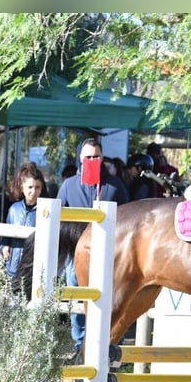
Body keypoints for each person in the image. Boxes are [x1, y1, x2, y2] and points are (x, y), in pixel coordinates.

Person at [57, 137, 130, 354]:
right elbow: (58, 217)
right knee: (78, 304)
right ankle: (80, 347)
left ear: (102, 157)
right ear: (80, 158)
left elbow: (129, 219)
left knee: (111, 301)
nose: (91, 160)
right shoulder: (69, 185)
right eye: (88, 156)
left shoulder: (115, 185)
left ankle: (107, 347)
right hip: (76, 256)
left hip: (109, 255)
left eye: (96, 156)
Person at [0, 162, 45, 278]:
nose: (33, 192)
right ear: (22, 187)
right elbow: (6, 234)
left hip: (33, 270)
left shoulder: (44, 211)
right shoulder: (14, 209)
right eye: (30, 187)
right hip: (13, 267)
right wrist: (4, 246)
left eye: (37, 188)